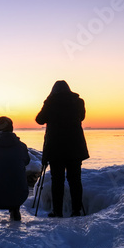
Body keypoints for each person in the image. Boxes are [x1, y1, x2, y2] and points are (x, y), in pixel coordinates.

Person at [35, 80, 89, 217]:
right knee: (75, 180)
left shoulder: (51, 102)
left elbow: (40, 119)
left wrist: (47, 102)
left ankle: (57, 211)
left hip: (55, 148)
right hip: (75, 147)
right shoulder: (78, 102)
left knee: (57, 180)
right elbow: (81, 117)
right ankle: (76, 210)